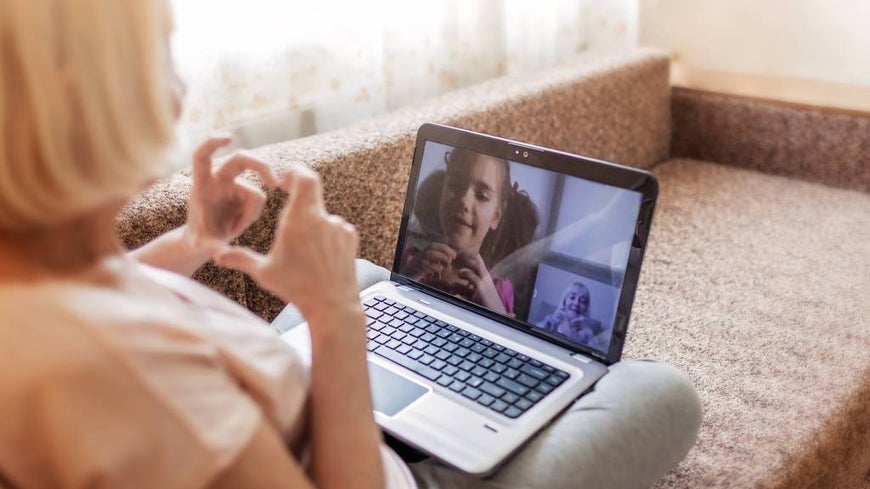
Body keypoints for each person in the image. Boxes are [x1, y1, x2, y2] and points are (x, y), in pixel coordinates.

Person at [0, 1, 701, 488]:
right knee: (663, 392)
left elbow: (103, 286)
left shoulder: (31, 282)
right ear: (78, 92)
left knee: (373, 275)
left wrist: (194, 239)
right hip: (375, 469)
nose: (179, 92)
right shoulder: (136, 383)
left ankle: (422, 373)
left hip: (302, 405)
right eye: (158, 53)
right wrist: (336, 318)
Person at [399, 149, 539, 316]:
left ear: (496, 217)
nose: (464, 201)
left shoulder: (498, 290)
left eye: (481, 195)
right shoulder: (412, 261)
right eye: (455, 186)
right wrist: (408, 276)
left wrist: (496, 310)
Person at [539, 282, 604, 351]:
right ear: (564, 301)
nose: (576, 304)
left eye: (582, 301)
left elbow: (597, 356)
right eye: (572, 298)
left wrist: (589, 336)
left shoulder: (586, 334)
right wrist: (547, 325)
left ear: (586, 308)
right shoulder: (552, 322)